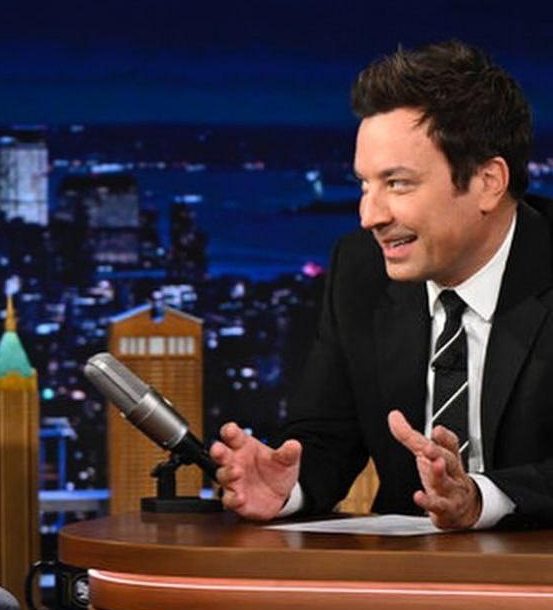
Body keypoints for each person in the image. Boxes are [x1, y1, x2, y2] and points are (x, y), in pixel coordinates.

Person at [212, 40, 553, 531]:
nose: (369, 216)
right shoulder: (360, 271)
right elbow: (327, 436)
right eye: (364, 184)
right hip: (405, 570)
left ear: (487, 182)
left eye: (397, 183)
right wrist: (288, 487)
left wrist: (482, 498)